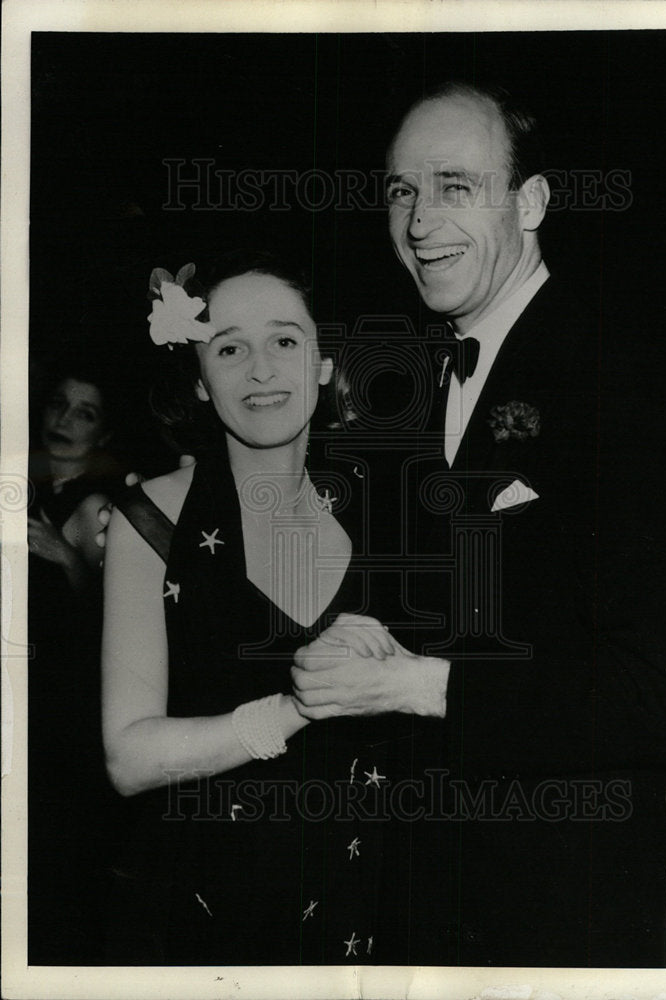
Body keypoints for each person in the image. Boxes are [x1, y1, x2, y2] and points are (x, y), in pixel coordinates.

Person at [290, 81, 666, 966]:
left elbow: (664, 688)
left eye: (455, 186)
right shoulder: (412, 380)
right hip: (420, 889)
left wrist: (425, 685)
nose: (418, 222)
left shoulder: (622, 381)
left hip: (553, 909)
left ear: (530, 202)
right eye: (401, 191)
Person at [100, 253, 445, 964]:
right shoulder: (150, 518)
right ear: (199, 379)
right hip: (207, 907)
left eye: (285, 340)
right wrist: (301, 703)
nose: (260, 370)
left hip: (363, 905)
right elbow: (128, 758)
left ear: (321, 364)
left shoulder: (384, 518)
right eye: (229, 348)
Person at [27, 362, 124, 963]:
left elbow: (115, 624)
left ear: (104, 435)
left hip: (67, 722)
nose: (64, 420)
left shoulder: (98, 507)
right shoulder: (24, 482)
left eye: (84, 412)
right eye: (60, 404)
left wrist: (67, 557)